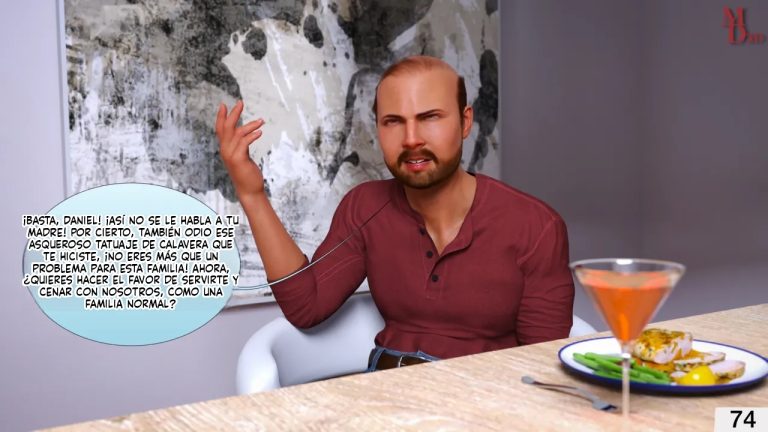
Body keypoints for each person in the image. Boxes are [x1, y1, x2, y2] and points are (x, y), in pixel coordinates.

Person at [216, 56, 574, 371]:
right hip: (382, 391)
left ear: (465, 122)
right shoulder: (365, 207)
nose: (411, 138)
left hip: (482, 400)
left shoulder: (535, 226)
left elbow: (541, 366)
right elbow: (305, 307)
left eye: (430, 117)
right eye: (393, 121)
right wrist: (252, 194)